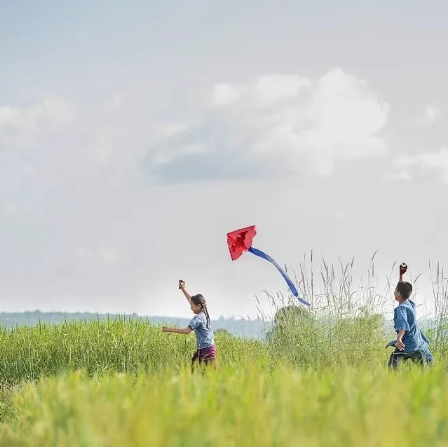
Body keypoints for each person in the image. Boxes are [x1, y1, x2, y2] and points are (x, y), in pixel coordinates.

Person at [162, 281, 217, 371]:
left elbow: (187, 331)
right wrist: (183, 289)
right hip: (206, 347)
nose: (190, 307)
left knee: (209, 373)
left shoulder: (198, 318)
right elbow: (190, 300)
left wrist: (169, 329)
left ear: (199, 306)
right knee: (193, 369)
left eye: (192, 306)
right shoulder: (203, 311)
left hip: (206, 350)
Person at [387, 280, 433, 369]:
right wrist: (401, 275)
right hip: (417, 342)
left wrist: (399, 338)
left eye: (395, 290)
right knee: (423, 367)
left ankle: (393, 380)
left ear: (399, 293)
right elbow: (403, 288)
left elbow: (403, 324)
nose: (394, 292)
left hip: (406, 344)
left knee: (393, 364)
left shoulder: (401, 308)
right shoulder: (410, 304)